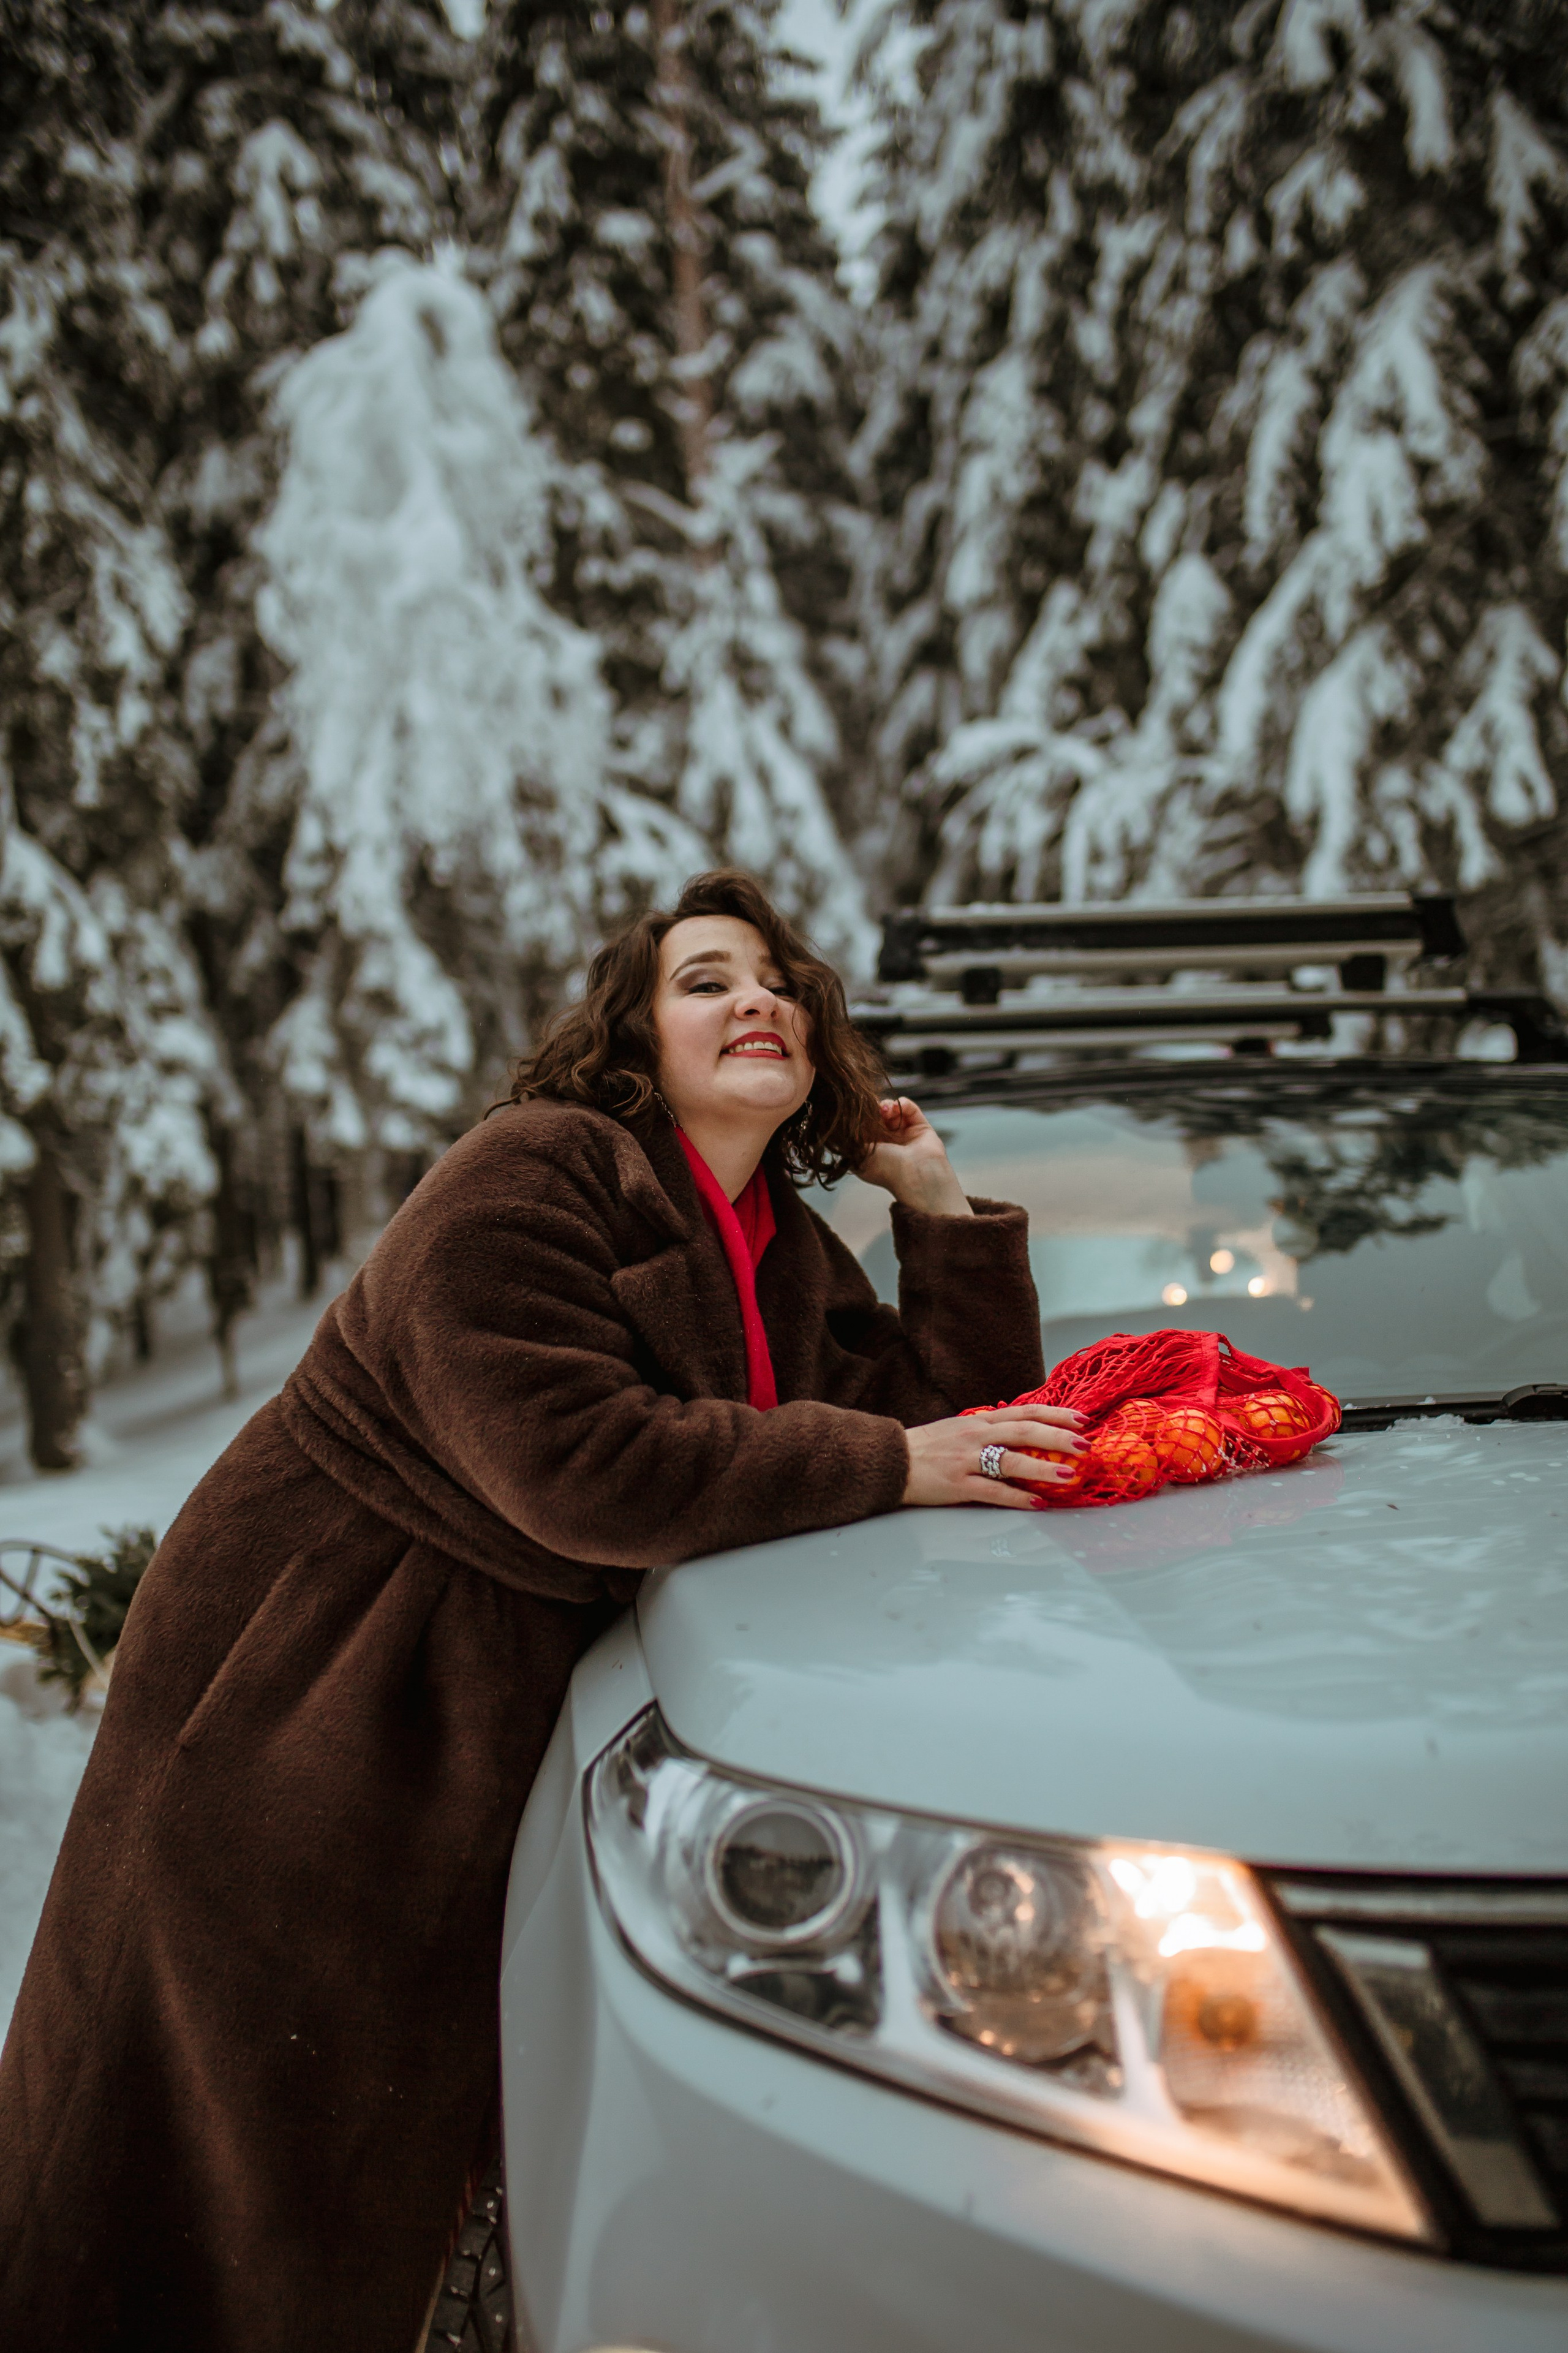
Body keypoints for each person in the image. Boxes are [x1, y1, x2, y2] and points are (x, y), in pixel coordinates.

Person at [0, 870, 1082, 2352]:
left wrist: (941, 1211)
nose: (756, 996)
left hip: (471, 1731)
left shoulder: (781, 1242)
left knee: (377, 2192)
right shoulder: (529, 1173)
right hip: (307, 1714)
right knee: (232, 2195)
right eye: (704, 979)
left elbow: (959, 1433)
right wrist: (887, 1459)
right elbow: (575, 1462)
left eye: (778, 980)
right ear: (632, 1038)